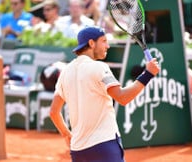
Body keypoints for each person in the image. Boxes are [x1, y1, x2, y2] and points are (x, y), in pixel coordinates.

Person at [50, 26, 160, 162]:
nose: (108, 46)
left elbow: (54, 112)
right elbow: (123, 97)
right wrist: (147, 74)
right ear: (91, 43)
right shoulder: (100, 68)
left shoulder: (65, 72)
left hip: (78, 150)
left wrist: (66, 134)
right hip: (104, 146)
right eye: (103, 41)